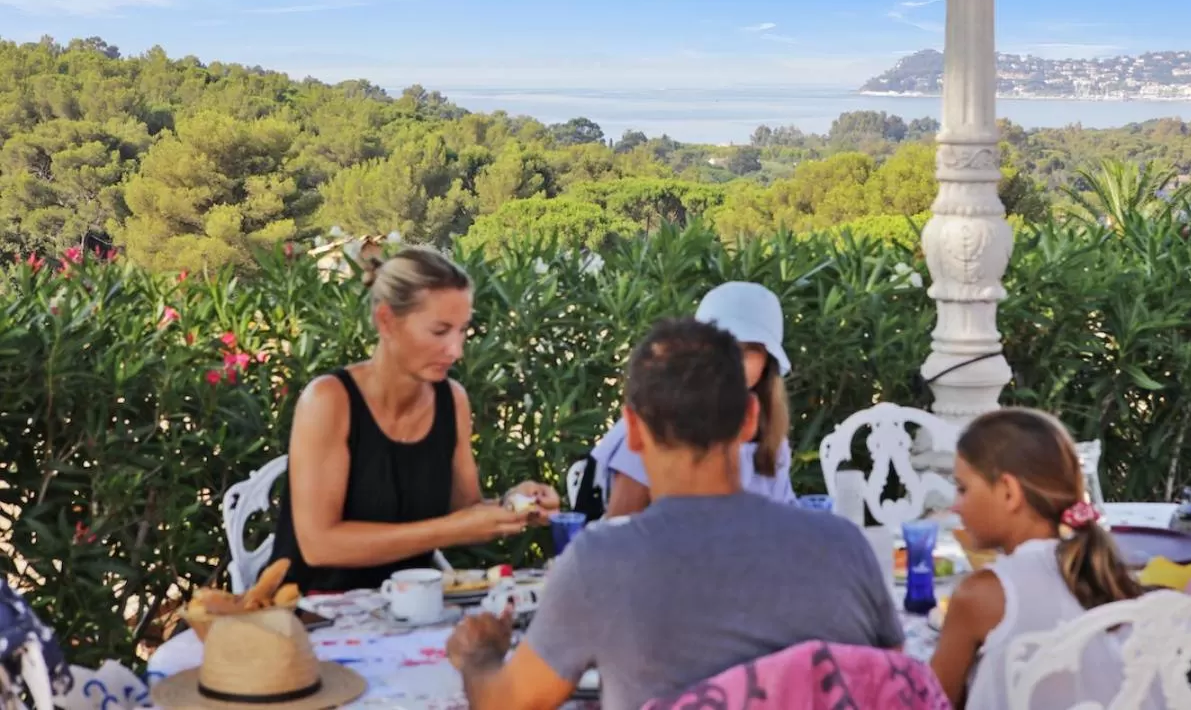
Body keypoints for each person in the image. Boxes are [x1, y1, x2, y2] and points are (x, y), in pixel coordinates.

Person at [446, 317, 904, 710]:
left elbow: (508, 703)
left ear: (633, 431)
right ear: (750, 418)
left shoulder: (601, 563)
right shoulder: (842, 546)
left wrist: (479, 656)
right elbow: (891, 681)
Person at [268, 246, 560, 594]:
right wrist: (451, 530)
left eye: (462, 331)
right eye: (439, 331)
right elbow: (319, 547)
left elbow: (465, 512)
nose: (456, 350)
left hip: (409, 607)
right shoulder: (330, 400)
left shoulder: (451, 400)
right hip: (308, 612)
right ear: (386, 321)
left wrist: (513, 505)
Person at [929, 408, 1144, 709]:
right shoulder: (1104, 572)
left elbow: (931, 702)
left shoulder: (982, 594)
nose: (956, 506)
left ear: (1008, 492)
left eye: (963, 489)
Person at [586, 281, 795, 518]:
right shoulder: (656, 424)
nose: (733, 362)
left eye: (749, 350)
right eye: (723, 349)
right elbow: (620, 527)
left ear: (768, 362)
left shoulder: (771, 433)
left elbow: (785, 518)